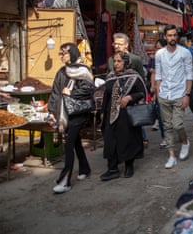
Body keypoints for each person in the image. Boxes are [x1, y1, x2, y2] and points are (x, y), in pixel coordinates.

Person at [48, 42, 94, 194]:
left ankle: (65, 181)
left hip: (78, 113)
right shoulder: (61, 71)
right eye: (60, 53)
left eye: (64, 53)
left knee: (68, 145)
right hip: (64, 113)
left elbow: (88, 89)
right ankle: (85, 169)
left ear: (72, 53)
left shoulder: (83, 71)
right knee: (75, 143)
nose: (61, 56)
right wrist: (52, 112)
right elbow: (55, 93)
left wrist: (71, 93)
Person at [100, 51, 146, 181]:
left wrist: (130, 97)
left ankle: (129, 166)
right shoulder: (110, 77)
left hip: (128, 115)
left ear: (126, 62)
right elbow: (106, 96)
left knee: (127, 139)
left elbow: (143, 92)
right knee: (110, 140)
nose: (116, 64)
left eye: (119, 61)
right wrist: (103, 113)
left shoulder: (134, 76)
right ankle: (112, 169)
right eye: (114, 61)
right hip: (112, 114)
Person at [155, 24, 193, 169]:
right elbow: (158, 75)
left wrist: (187, 94)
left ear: (177, 36)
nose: (172, 38)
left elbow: (189, 75)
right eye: (169, 35)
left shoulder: (185, 53)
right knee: (167, 126)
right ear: (165, 37)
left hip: (179, 94)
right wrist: (159, 94)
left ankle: (185, 142)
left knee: (177, 124)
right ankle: (171, 155)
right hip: (164, 94)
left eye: (174, 35)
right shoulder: (159, 54)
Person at [147, 38, 167, 148]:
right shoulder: (154, 59)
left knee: (172, 117)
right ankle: (165, 137)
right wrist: (153, 88)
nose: (157, 50)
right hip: (160, 92)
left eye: (159, 48)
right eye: (157, 48)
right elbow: (153, 73)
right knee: (160, 116)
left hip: (172, 92)